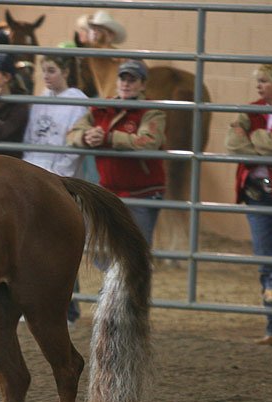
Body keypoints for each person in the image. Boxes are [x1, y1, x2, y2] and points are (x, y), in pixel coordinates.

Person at [66, 59, 166, 247]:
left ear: (143, 84)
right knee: (96, 246)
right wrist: (86, 136)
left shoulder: (152, 112)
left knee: (137, 249)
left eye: (132, 80)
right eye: (123, 78)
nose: (126, 84)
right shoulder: (102, 108)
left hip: (142, 193)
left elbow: (149, 141)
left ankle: (131, 276)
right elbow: (72, 134)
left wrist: (109, 137)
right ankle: (115, 276)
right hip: (109, 191)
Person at [225, 64, 272, 348]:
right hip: (256, 189)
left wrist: (254, 137)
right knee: (265, 256)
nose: (259, 86)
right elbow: (233, 144)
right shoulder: (250, 108)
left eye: (264, 81)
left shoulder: (253, 116)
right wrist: (268, 143)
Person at [22, 54, 89, 326]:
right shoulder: (40, 98)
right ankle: (33, 306)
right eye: (44, 71)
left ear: (65, 71)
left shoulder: (78, 101)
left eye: (51, 71)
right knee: (33, 246)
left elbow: (73, 145)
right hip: (34, 174)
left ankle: (69, 309)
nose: (47, 76)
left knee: (60, 247)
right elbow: (30, 138)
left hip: (59, 177)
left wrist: (59, 175)